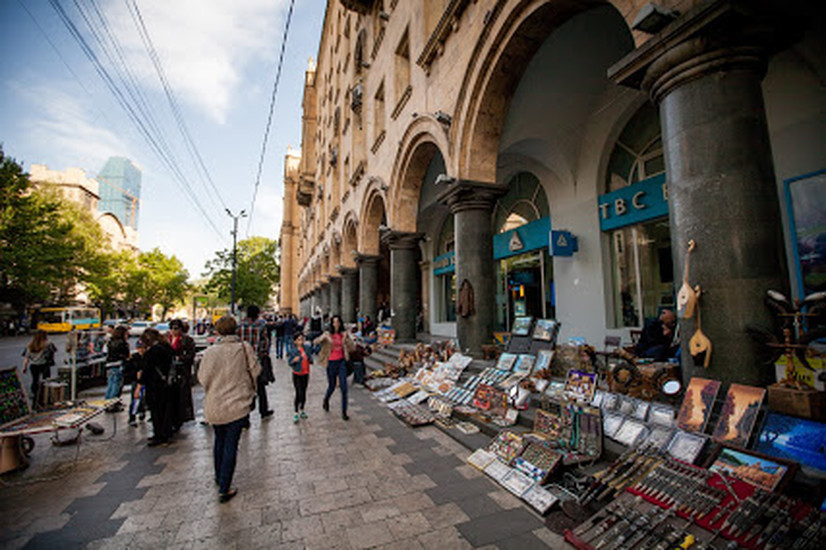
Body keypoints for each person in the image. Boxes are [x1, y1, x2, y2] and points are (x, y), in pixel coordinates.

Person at [198, 316, 260, 503]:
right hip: (238, 403)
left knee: (219, 440)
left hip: (216, 404)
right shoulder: (243, 348)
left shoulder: (210, 352)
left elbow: (202, 378)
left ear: (217, 331)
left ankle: (219, 476)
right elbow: (256, 371)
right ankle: (225, 486)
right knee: (231, 443)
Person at [139, 328, 174, 446]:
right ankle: (166, 432)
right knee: (165, 409)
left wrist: (140, 384)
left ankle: (159, 435)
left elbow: (147, 369)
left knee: (156, 411)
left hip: (154, 384)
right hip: (166, 382)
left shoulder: (152, 352)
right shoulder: (167, 347)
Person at [237, 305, 274, 419]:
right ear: (258, 313)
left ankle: (245, 417)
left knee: (245, 388)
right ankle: (263, 411)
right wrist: (263, 354)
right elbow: (265, 342)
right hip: (256, 360)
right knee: (260, 387)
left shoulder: (240, 325)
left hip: (243, 361)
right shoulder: (261, 325)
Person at [314, 315, 353, 420]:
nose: (336, 324)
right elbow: (315, 342)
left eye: (338, 322)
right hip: (331, 363)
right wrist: (324, 337)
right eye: (334, 322)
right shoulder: (328, 334)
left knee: (344, 388)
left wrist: (346, 339)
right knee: (331, 386)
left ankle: (344, 412)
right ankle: (326, 400)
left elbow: (352, 347)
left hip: (341, 362)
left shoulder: (343, 334)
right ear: (331, 323)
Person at [168, 319, 196, 431]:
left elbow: (190, 356)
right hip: (169, 373)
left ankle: (178, 419)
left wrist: (180, 358)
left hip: (182, 373)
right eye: (171, 328)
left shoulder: (187, 340)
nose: (173, 331)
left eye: (176, 328)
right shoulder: (166, 339)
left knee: (181, 397)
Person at [286, 333, 318, 423]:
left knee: (304, 392)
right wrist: (293, 360)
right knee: (298, 392)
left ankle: (302, 409)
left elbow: (313, 354)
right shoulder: (293, 351)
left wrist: (310, 359)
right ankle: (296, 412)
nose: (301, 341)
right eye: (299, 339)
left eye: (302, 339)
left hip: (305, 373)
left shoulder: (306, 348)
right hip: (297, 374)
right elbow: (289, 362)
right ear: (295, 341)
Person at [22, 330, 57, 407]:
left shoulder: (30, 345)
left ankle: (35, 397)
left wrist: (24, 367)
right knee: (46, 381)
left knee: (35, 381)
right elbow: (53, 351)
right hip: (44, 365)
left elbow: (26, 358)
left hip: (33, 366)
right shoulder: (48, 344)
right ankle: (44, 397)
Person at [104, 325, 130, 401]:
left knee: (110, 384)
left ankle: (107, 401)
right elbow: (125, 355)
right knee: (116, 384)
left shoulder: (110, 342)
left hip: (109, 364)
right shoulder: (123, 343)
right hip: (118, 364)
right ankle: (113, 401)